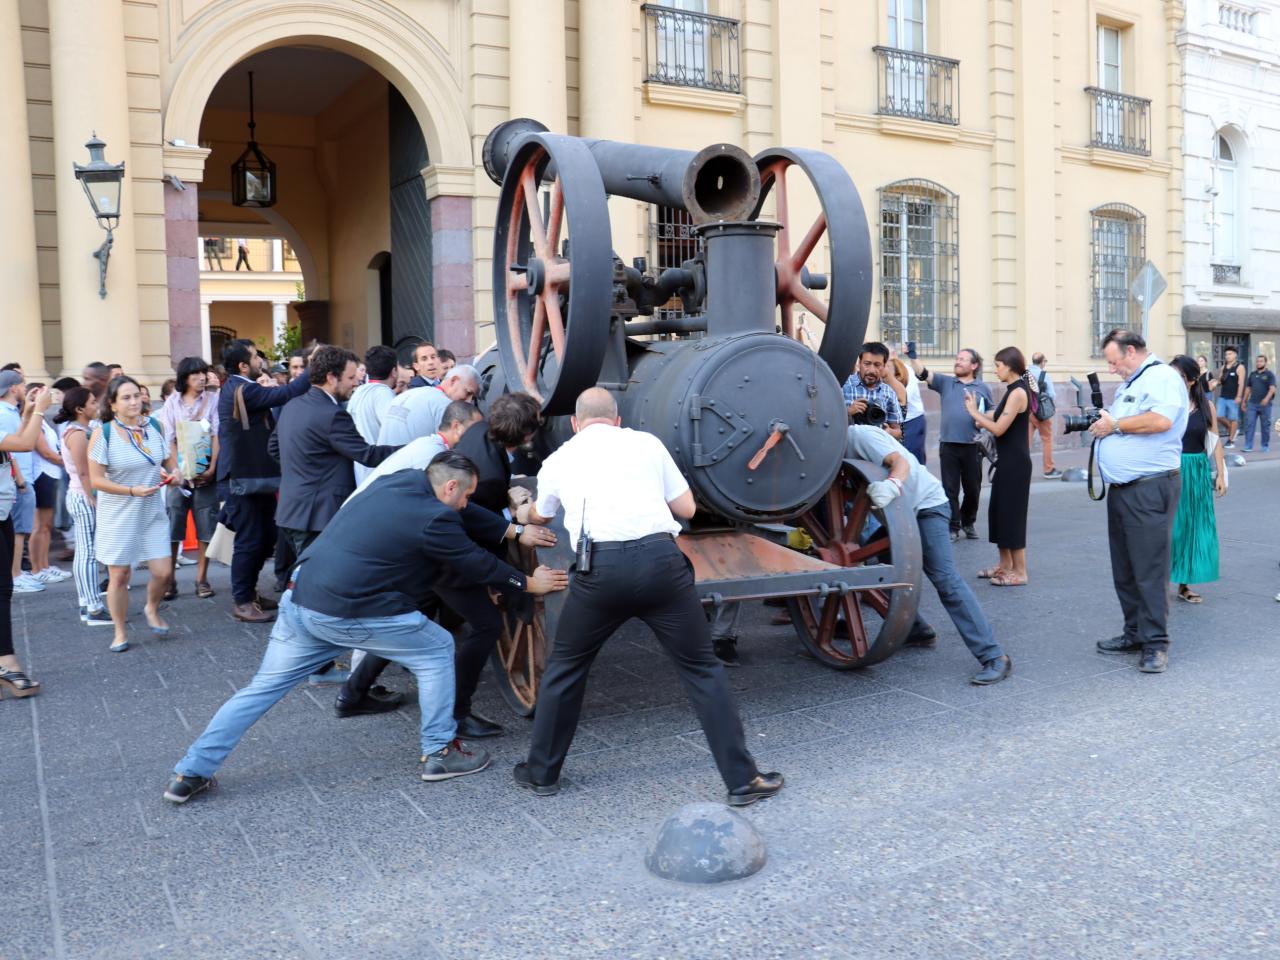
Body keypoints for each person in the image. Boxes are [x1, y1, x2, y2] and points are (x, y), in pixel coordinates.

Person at [162, 451, 569, 803]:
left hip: (302, 599)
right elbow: (474, 562)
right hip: (350, 611)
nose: (466, 505)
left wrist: (511, 529)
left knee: (260, 689)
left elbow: (471, 515)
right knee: (437, 648)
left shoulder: (402, 479)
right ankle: (440, 751)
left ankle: (190, 772)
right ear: (448, 489)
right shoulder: (435, 519)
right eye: (464, 496)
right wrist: (526, 583)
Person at [515, 388, 783, 807]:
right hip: (661, 564)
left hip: (598, 570)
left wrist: (523, 512)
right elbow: (688, 509)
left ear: (575, 423)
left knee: (565, 669)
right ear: (617, 419)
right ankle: (742, 780)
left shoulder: (558, 459)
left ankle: (541, 773)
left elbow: (543, 516)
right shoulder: (647, 443)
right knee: (702, 670)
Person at [847, 423, 1013, 684]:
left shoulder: (858, 436)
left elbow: (901, 464)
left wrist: (890, 485)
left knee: (945, 579)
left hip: (927, 506)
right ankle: (916, 629)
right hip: (902, 514)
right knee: (883, 556)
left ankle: (994, 656)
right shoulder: (839, 446)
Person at [1089, 330, 1188, 674]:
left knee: (1149, 568)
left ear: (1131, 351)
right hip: (1123, 489)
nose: (1112, 369)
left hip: (1149, 488)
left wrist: (1114, 424)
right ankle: (1134, 633)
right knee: (1126, 569)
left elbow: (1161, 420)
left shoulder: (1161, 377)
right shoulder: (1134, 382)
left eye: (1114, 361)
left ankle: (1156, 644)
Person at [269, 345, 401, 560]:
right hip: (317, 516)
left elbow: (274, 448)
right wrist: (414, 448)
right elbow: (368, 455)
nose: (356, 381)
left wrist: (302, 470)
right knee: (315, 580)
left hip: (291, 511)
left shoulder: (293, 405)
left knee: (305, 576)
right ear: (332, 377)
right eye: (350, 377)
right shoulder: (332, 414)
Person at [217, 339, 310, 623]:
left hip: (256, 475)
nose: (262, 361)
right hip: (244, 477)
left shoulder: (241, 388)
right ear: (244, 365)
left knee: (266, 536)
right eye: (257, 357)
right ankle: (243, 601)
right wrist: (314, 364)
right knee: (250, 540)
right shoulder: (243, 390)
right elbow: (292, 391)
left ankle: (250, 594)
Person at [87, 376, 177, 653]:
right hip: (119, 513)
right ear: (113, 405)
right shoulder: (104, 433)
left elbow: (170, 463)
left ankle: (151, 607)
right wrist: (130, 490)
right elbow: (96, 480)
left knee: (163, 572)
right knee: (120, 576)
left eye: (137, 395)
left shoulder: (156, 426)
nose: (134, 402)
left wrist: (175, 475)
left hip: (151, 510)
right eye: (126, 398)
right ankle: (119, 630)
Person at [904, 346, 992, 542]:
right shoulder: (946, 382)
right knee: (950, 489)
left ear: (974, 365)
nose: (957, 362)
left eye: (962, 359)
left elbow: (993, 411)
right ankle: (954, 526)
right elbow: (923, 373)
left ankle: (968, 521)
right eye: (957, 358)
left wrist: (982, 418)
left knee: (972, 489)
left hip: (973, 445)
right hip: (949, 445)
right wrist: (912, 356)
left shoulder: (983, 388)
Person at [963, 347, 1032, 586]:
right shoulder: (1012, 391)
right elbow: (998, 415)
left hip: (1016, 463)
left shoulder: (1019, 393)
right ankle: (1005, 566)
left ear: (1010, 366)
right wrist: (981, 413)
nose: (995, 370)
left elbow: (999, 428)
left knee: (1012, 516)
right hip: (1006, 460)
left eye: (998, 365)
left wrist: (975, 414)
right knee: (999, 512)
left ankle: (1020, 572)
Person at [0, 383, 52, 699]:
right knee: (2, 588)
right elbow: (23, 444)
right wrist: (42, 410)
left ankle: (6, 662)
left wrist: (30, 411)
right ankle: (7, 662)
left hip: (2, 508)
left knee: (3, 586)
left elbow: (11, 445)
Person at [158, 357, 220, 600]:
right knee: (174, 527)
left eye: (204, 373)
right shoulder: (172, 403)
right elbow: (169, 439)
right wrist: (178, 471)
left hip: (206, 474)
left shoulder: (213, 400)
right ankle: (169, 580)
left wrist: (212, 467)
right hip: (178, 477)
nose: (202, 378)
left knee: (206, 528)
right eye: (195, 374)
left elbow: (217, 435)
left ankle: (201, 579)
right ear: (184, 378)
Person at [1168, 355, 1226, 604]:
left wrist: (1221, 474)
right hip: (1170, 469)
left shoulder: (1206, 406)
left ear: (1192, 380)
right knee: (1171, 526)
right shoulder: (1166, 403)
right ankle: (1157, 580)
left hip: (1197, 469)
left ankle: (1184, 583)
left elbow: (1214, 441)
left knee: (1192, 527)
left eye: (1179, 376)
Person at [346, 401, 481, 504]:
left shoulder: (429, 445)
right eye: (474, 430)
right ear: (456, 426)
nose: (478, 436)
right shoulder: (433, 454)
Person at [54, 388, 110, 625]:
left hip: (81, 495)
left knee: (86, 552)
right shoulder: (76, 433)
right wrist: (93, 499)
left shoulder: (81, 430)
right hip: (83, 496)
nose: (96, 404)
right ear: (79, 409)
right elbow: (84, 471)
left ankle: (89, 604)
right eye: (92, 401)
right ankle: (93, 607)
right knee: (87, 553)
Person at [0, 372, 42, 595]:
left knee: (18, 530)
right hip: (11, 485)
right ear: (13, 388)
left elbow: (15, 442)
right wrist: (40, 411)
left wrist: (27, 415)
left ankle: (15, 575)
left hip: (10, 488)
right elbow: (22, 445)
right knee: (18, 531)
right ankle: (16, 574)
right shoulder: (3, 413)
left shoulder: (9, 412)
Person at [377, 365, 481, 446]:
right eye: (468, 392)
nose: (468, 401)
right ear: (453, 380)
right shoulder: (445, 405)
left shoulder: (411, 393)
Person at [27, 386, 69, 584]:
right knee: (40, 526)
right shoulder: (34, 421)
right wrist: (68, 460)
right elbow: (45, 452)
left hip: (50, 474)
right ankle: (37, 567)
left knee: (46, 525)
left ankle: (44, 565)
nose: (48, 396)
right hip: (42, 474)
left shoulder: (42, 420)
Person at [346, 345, 399, 485]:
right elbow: (394, 428)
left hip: (359, 468)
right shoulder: (383, 394)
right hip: (377, 471)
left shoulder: (358, 392)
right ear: (394, 371)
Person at [841, 342, 903, 440]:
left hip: (878, 445)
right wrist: (848, 412)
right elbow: (826, 421)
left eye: (877, 365)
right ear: (859, 363)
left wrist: (889, 432)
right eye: (867, 364)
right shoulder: (843, 385)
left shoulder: (889, 393)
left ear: (884, 366)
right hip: (849, 444)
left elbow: (898, 431)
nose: (871, 370)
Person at [885, 352, 926, 463]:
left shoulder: (907, 371)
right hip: (894, 422)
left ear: (893, 354)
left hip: (911, 421)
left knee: (912, 457)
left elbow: (904, 399)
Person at [1027, 352, 1061, 478]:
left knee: (1026, 442)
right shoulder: (1044, 375)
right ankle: (1048, 469)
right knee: (1046, 440)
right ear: (1042, 362)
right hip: (1041, 413)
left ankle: (1021, 468)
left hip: (1027, 412)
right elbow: (1052, 394)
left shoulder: (1025, 374)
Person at [1212, 346, 1245, 448]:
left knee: (1233, 418)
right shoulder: (1223, 367)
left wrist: (1239, 396)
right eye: (1226, 354)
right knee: (1218, 416)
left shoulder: (1240, 367)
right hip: (1223, 396)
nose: (1227, 356)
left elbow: (1241, 383)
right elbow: (1221, 381)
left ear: (1235, 355)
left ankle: (1231, 440)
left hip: (1233, 397)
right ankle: (1232, 430)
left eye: (1230, 354)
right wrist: (1214, 383)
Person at [1242, 354, 1275, 454]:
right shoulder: (1252, 374)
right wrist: (1244, 401)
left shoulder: (1269, 374)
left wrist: (1266, 399)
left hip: (1266, 405)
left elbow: (1272, 389)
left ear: (1265, 363)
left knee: (1265, 426)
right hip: (1252, 404)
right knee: (1249, 424)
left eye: (1261, 361)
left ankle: (1265, 446)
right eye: (1257, 361)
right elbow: (1248, 388)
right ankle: (1248, 445)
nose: (1258, 363)